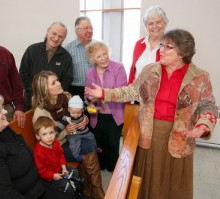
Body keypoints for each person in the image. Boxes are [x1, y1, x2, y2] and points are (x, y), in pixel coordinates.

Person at [85, 29, 218, 199]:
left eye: (168, 47)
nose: (161, 49)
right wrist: (104, 93)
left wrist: (203, 126)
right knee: (147, 181)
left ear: (183, 53)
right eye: (161, 45)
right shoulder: (150, 71)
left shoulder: (200, 77)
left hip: (181, 136)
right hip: (150, 134)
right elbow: (130, 91)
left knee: (174, 184)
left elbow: (209, 106)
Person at [0, 92, 75, 199]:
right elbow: (6, 195)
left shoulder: (5, 131)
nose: (5, 112)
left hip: (36, 189)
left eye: (3, 108)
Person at [32, 70, 105, 199]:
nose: (59, 83)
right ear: (44, 89)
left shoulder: (65, 96)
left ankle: (91, 190)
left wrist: (84, 120)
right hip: (56, 147)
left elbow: (80, 110)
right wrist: (66, 130)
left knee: (87, 145)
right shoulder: (41, 111)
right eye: (53, 83)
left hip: (73, 137)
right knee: (88, 147)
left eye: (57, 80)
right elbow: (45, 137)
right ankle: (95, 191)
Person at [85, 41, 127, 171]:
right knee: (100, 143)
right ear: (93, 60)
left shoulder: (118, 67)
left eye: (105, 54)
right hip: (97, 115)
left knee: (112, 143)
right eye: (99, 56)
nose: (103, 58)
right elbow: (86, 96)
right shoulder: (89, 74)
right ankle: (101, 166)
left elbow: (122, 92)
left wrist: (102, 95)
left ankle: (113, 169)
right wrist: (91, 99)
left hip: (115, 114)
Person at [20, 22, 73, 111]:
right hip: (31, 101)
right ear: (47, 31)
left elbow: (67, 79)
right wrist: (35, 93)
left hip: (55, 104)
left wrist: (52, 95)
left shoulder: (66, 57)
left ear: (64, 39)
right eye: (54, 33)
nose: (56, 38)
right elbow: (23, 74)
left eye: (61, 37)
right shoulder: (32, 50)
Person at [33, 116, 81, 196]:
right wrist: (52, 176)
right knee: (67, 185)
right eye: (44, 134)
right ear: (38, 136)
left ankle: (78, 191)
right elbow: (41, 171)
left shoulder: (55, 142)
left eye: (51, 132)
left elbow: (61, 154)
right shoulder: (38, 152)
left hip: (60, 169)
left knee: (75, 172)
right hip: (50, 177)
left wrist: (64, 168)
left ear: (55, 132)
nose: (49, 137)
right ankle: (73, 195)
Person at [128, 5, 168, 84]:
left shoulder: (170, 46)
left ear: (165, 23)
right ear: (146, 26)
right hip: (136, 93)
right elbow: (133, 72)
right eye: (150, 23)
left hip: (159, 94)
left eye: (158, 22)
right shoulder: (139, 44)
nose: (155, 26)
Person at [56, 95, 100, 161]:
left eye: (78, 113)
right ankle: (76, 156)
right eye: (73, 113)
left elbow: (85, 104)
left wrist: (90, 101)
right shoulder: (66, 117)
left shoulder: (81, 109)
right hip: (73, 135)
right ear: (69, 110)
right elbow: (60, 126)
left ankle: (95, 148)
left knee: (92, 137)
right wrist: (55, 132)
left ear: (82, 110)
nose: (76, 115)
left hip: (85, 132)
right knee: (73, 145)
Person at [64, 16, 93, 100]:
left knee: (94, 113)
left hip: (95, 89)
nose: (90, 31)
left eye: (91, 28)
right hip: (75, 90)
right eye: (86, 28)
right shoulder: (67, 49)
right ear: (77, 30)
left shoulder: (98, 46)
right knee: (77, 113)